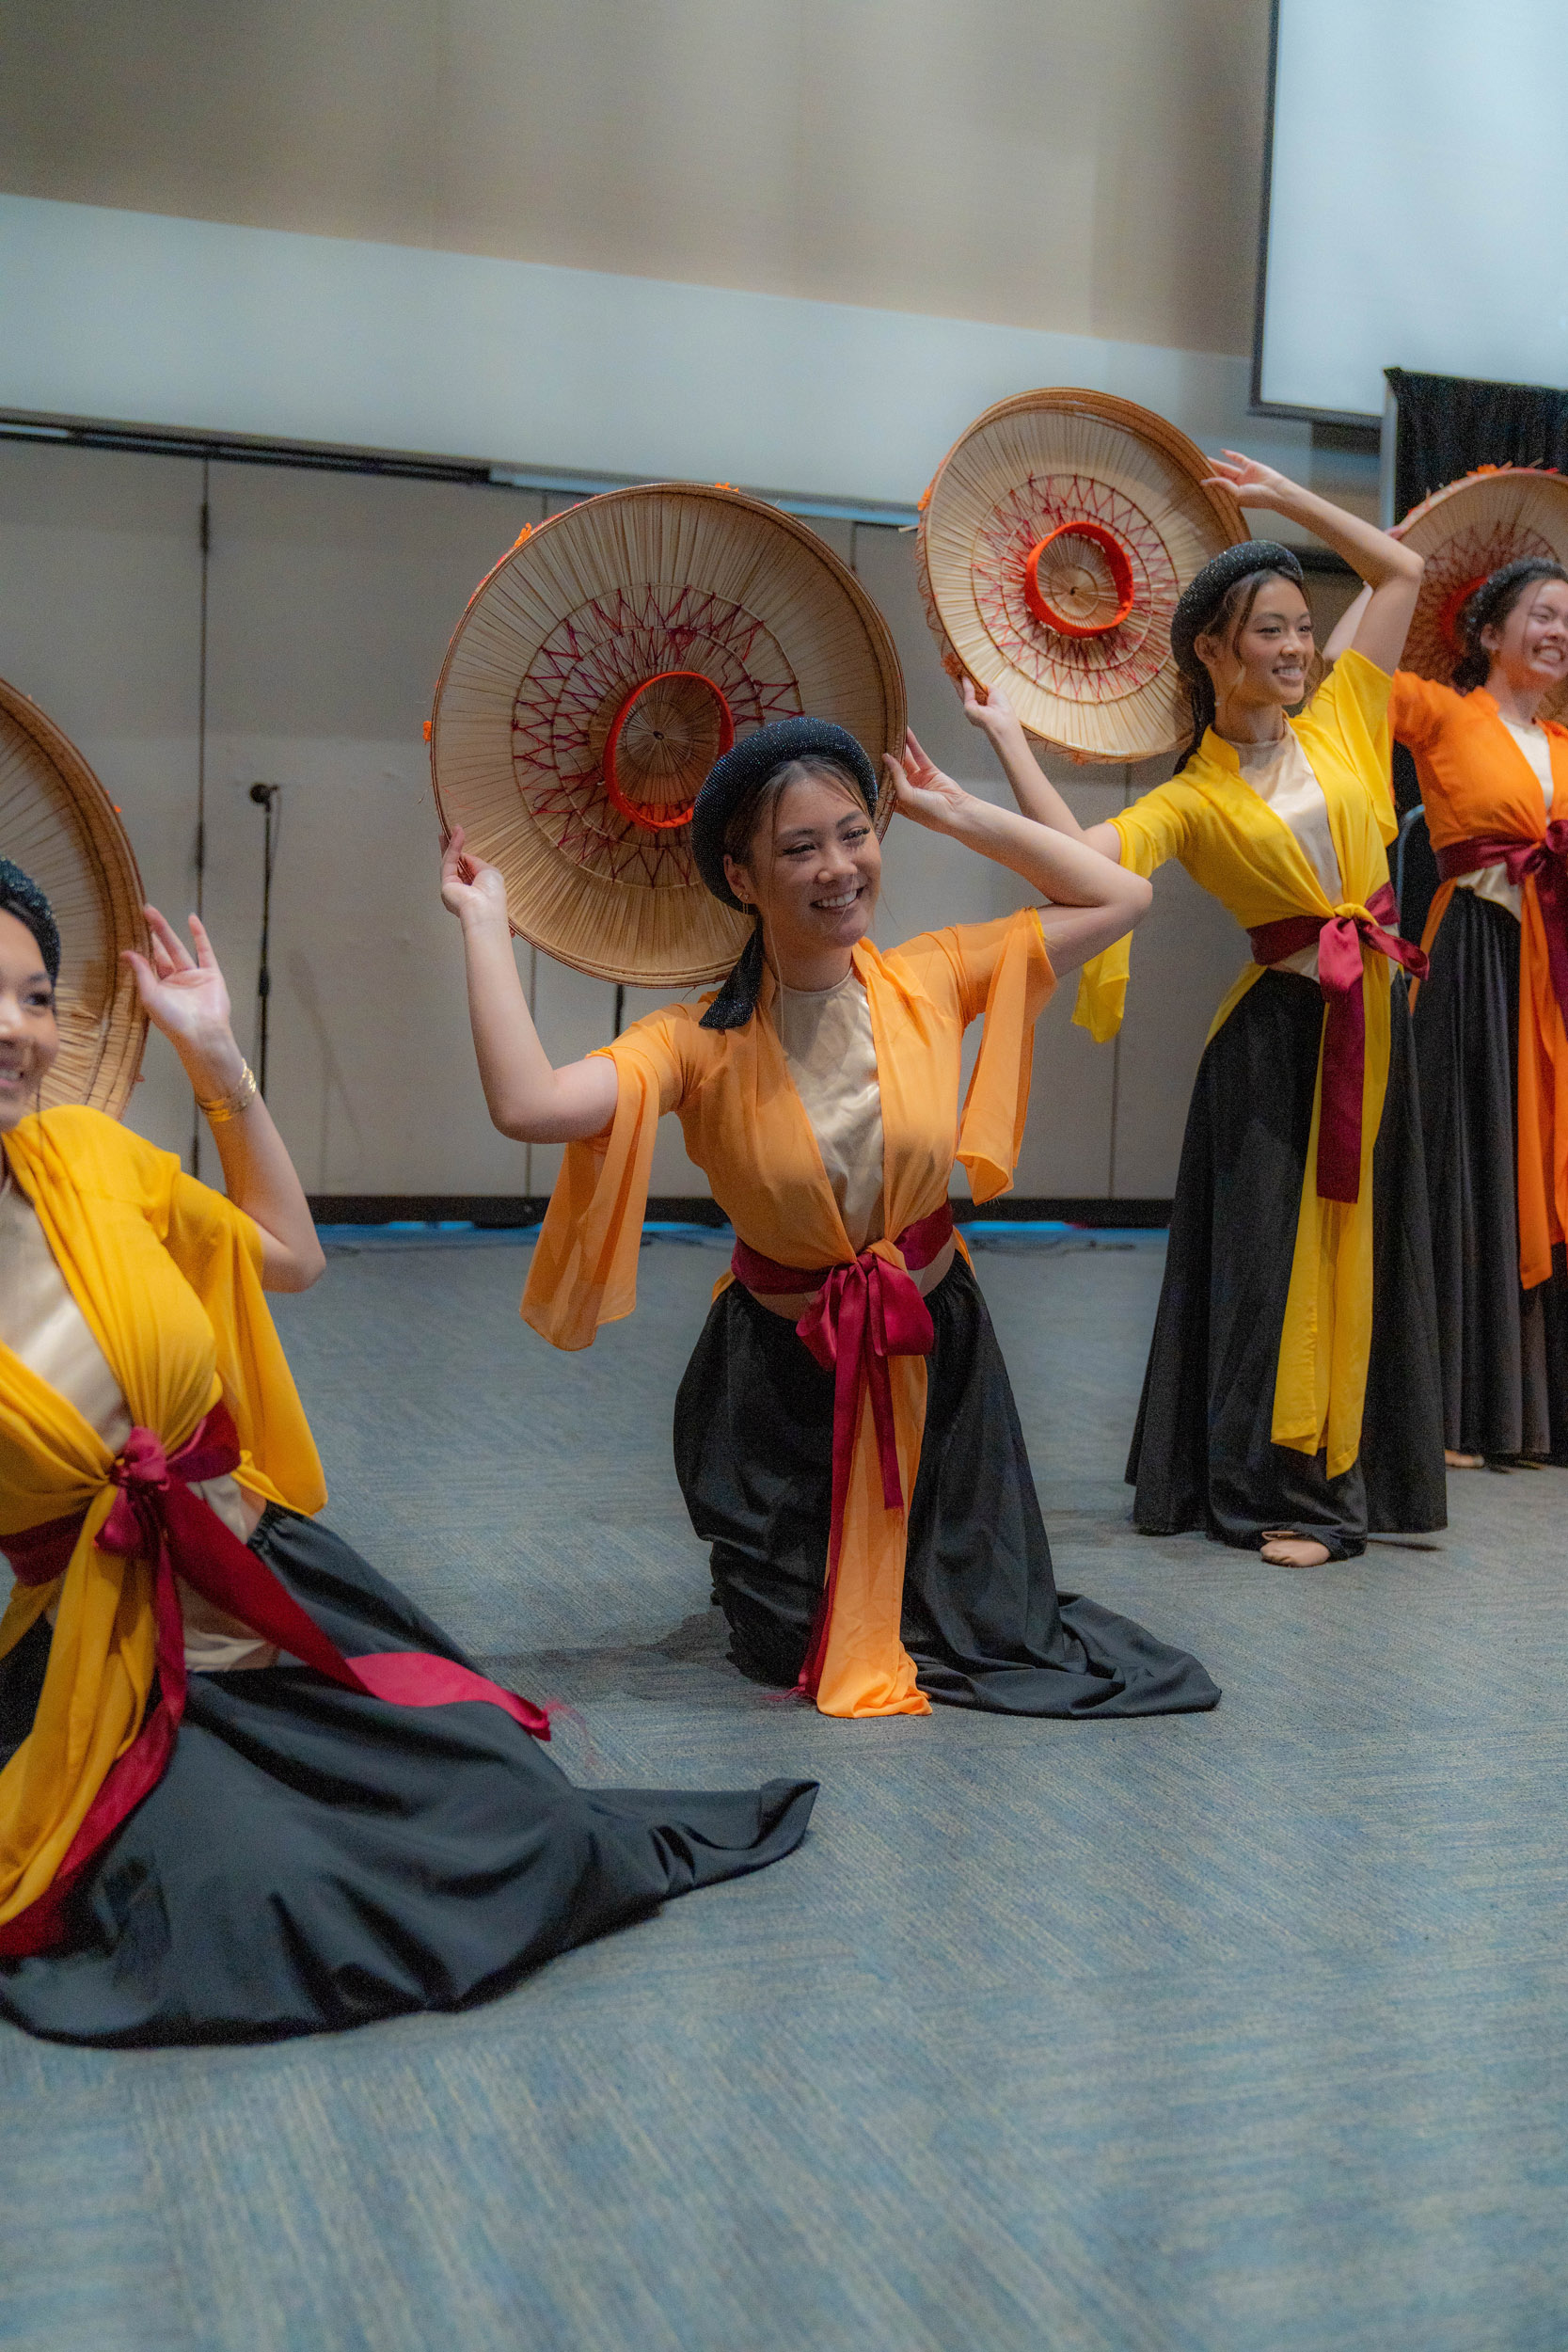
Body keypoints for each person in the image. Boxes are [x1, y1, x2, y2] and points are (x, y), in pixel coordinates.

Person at [0, 860, 816, 2046]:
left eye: (32, 997)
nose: (13, 1031)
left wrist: (218, 1059)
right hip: (102, 1668)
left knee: (531, 1817)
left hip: (268, 1587)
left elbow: (289, 1252)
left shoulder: (85, 1156)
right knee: (257, 1908)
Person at [445, 713, 1220, 1722]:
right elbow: (529, 1105)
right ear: (742, 877)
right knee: (782, 1647)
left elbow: (1123, 893)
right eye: (799, 847)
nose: (837, 868)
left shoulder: (933, 975)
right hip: (781, 1381)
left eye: (854, 834)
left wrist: (954, 811)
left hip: (936, 1361)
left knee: (990, 1630)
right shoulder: (693, 1043)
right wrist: (480, 924)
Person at [963, 455, 1447, 1566]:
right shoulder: (1189, 795)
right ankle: (1274, 1491)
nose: (1291, 648)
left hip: (1373, 1031)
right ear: (1210, 652)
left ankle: (1350, 1471)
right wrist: (1004, 748)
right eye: (1265, 630)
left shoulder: (1339, 717)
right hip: (1276, 1047)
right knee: (1272, 1265)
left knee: (1364, 1252)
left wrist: (1281, 501)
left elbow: (1400, 567)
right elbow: (1076, 865)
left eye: (1297, 627)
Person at [1325, 559, 1568, 1466]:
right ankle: (1458, 1412)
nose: (1557, 633)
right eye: (1541, 615)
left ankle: (1539, 1415)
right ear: (1489, 631)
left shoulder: (1565, 742)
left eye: (1567, 622)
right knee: (1466, 1167)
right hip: (1472, 957)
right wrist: (1376, 574)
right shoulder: (1438, 710)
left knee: (1548, 1166)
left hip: (1554, 971)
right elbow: (1343, 677)